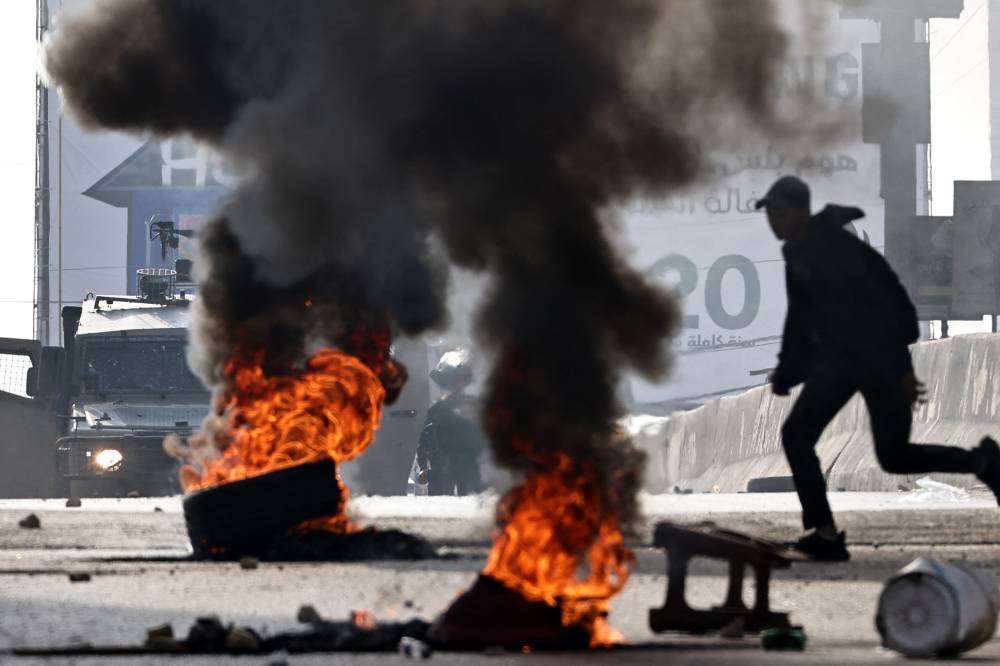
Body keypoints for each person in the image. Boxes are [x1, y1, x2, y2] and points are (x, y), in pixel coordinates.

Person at [758, 175, 1000, 561]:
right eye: (769, 213)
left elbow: (889, 302)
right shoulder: (797, 254)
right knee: (799, 435)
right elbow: (800, 321)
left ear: (801, 212)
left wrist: (902, 369)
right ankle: (824, 533)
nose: (772, 221)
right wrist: (787, 372)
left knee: (893, 456)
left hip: (876, 359)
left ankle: (982, 461)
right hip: (840, 362)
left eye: (779, 212)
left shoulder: (837, 248)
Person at [415, 349, 487, 496]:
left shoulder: (473, 407)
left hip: (466, 464)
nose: (456, 386)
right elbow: (425, 437)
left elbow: (482, 437)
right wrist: (423, 465)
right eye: (453, 381)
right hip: (440, 464)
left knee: (470, 502)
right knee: (439, 501)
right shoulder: (438, 408)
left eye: (459, 381)